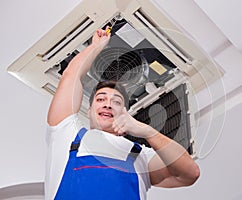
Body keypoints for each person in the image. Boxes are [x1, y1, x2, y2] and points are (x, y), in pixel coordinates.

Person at [46, 27, 200, 200]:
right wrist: (96, 46)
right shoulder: (66, 134)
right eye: (101, 99)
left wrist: (147, 132)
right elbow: (71, 76)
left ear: (125, 114)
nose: (108, 105)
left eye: (116, 102)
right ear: (88, 112)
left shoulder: (141, 155)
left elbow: (189, 174)